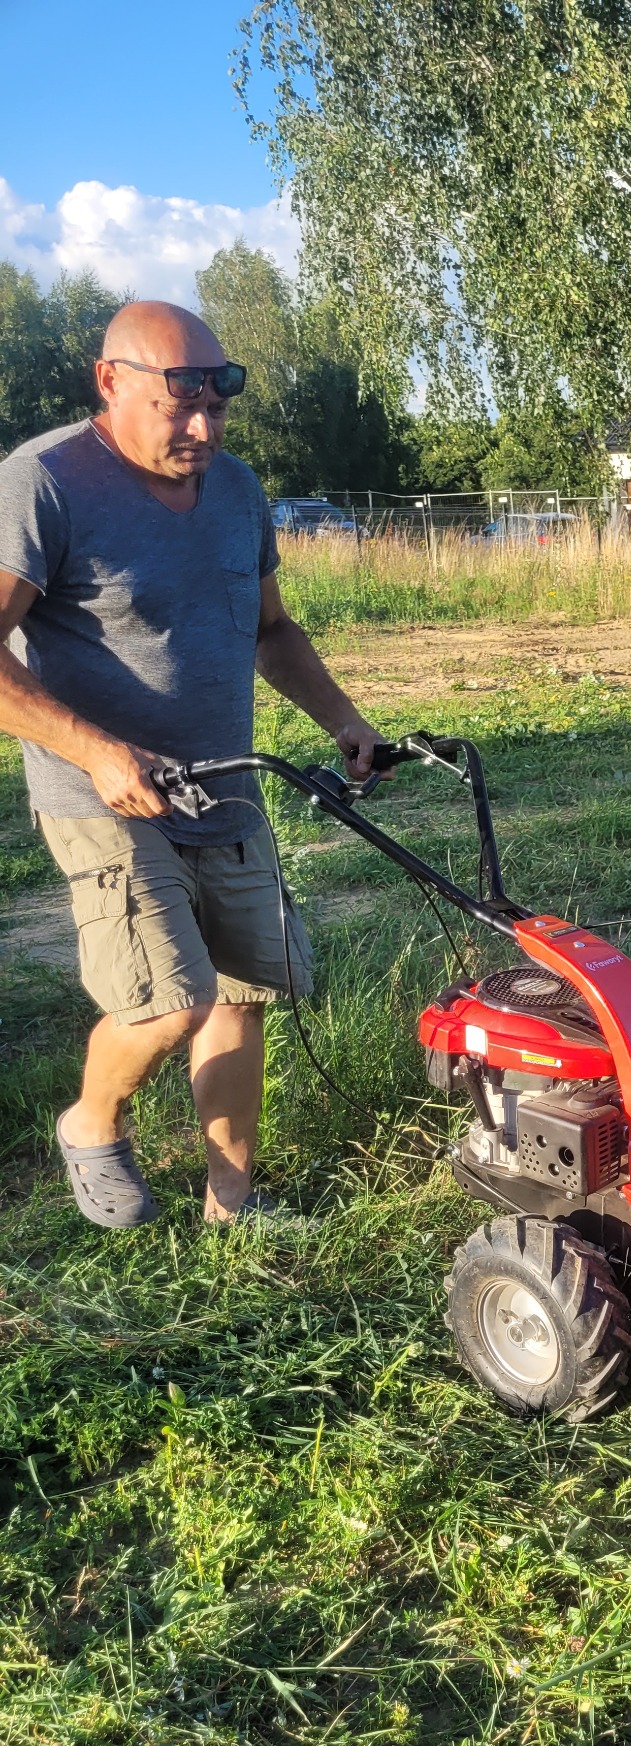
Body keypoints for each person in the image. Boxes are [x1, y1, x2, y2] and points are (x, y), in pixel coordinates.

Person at [0, 299, 387, 1229]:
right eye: (180, 408)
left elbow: (271, 630)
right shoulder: (42, 483)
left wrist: (342, 718)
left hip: (227, 784)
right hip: (106, 797)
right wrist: (94, 751)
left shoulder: (239, 489)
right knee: (171, 1001)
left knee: (245, 994)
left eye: (217, 406)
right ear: (111, 381)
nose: (203, 429)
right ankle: (90, 1121)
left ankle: (233, 1203)